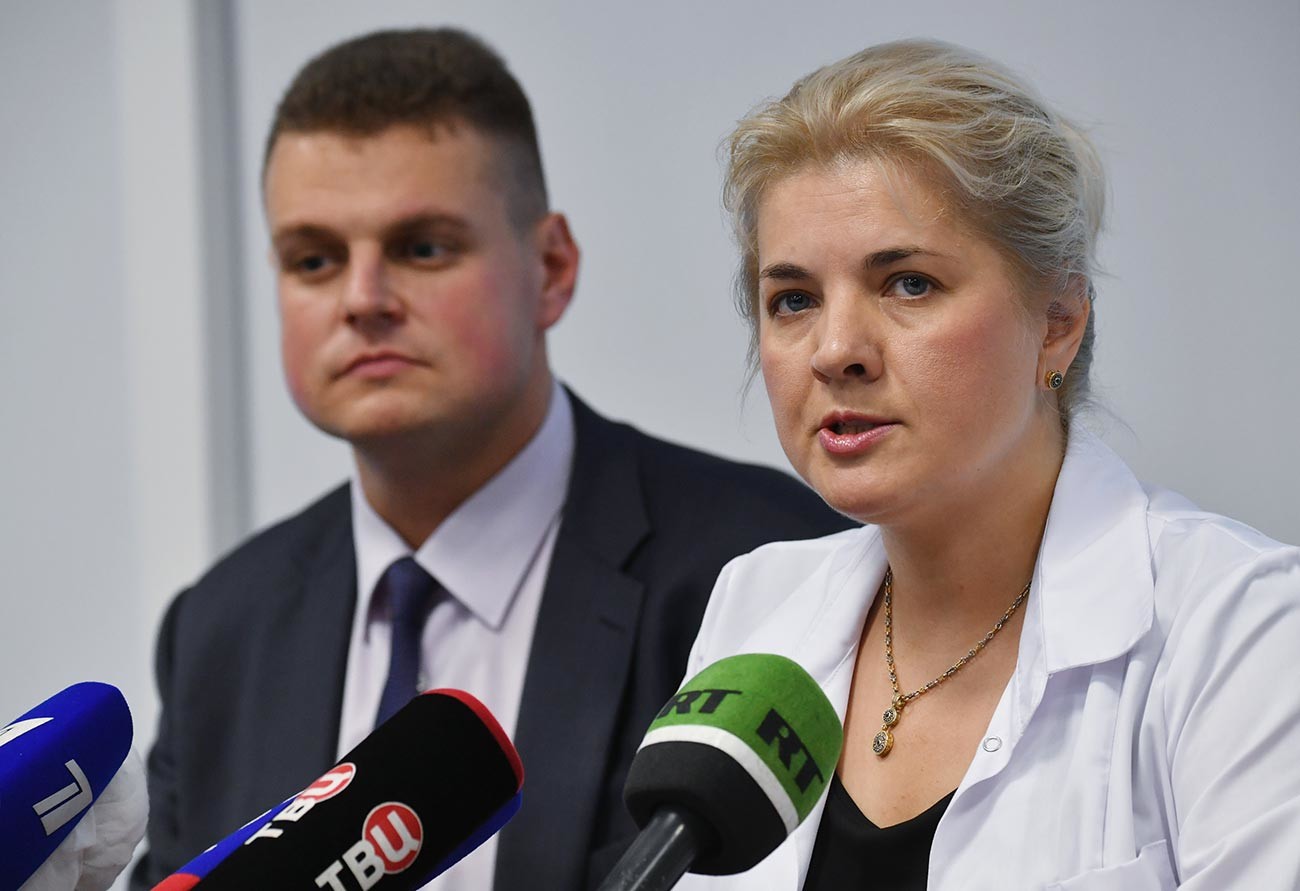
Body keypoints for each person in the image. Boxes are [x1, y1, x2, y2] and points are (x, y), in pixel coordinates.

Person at [129, 28, 852, 891]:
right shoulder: (220, 628)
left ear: (550, 268)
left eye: (421, 247)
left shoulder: (764, 566)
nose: (362, 301)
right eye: (314, 259)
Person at [675, 38, 1300, 890]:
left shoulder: (1245, 633)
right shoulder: (756, 606)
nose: (835, 350)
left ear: (1057, 320)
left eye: (908, 284)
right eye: (793, 299)